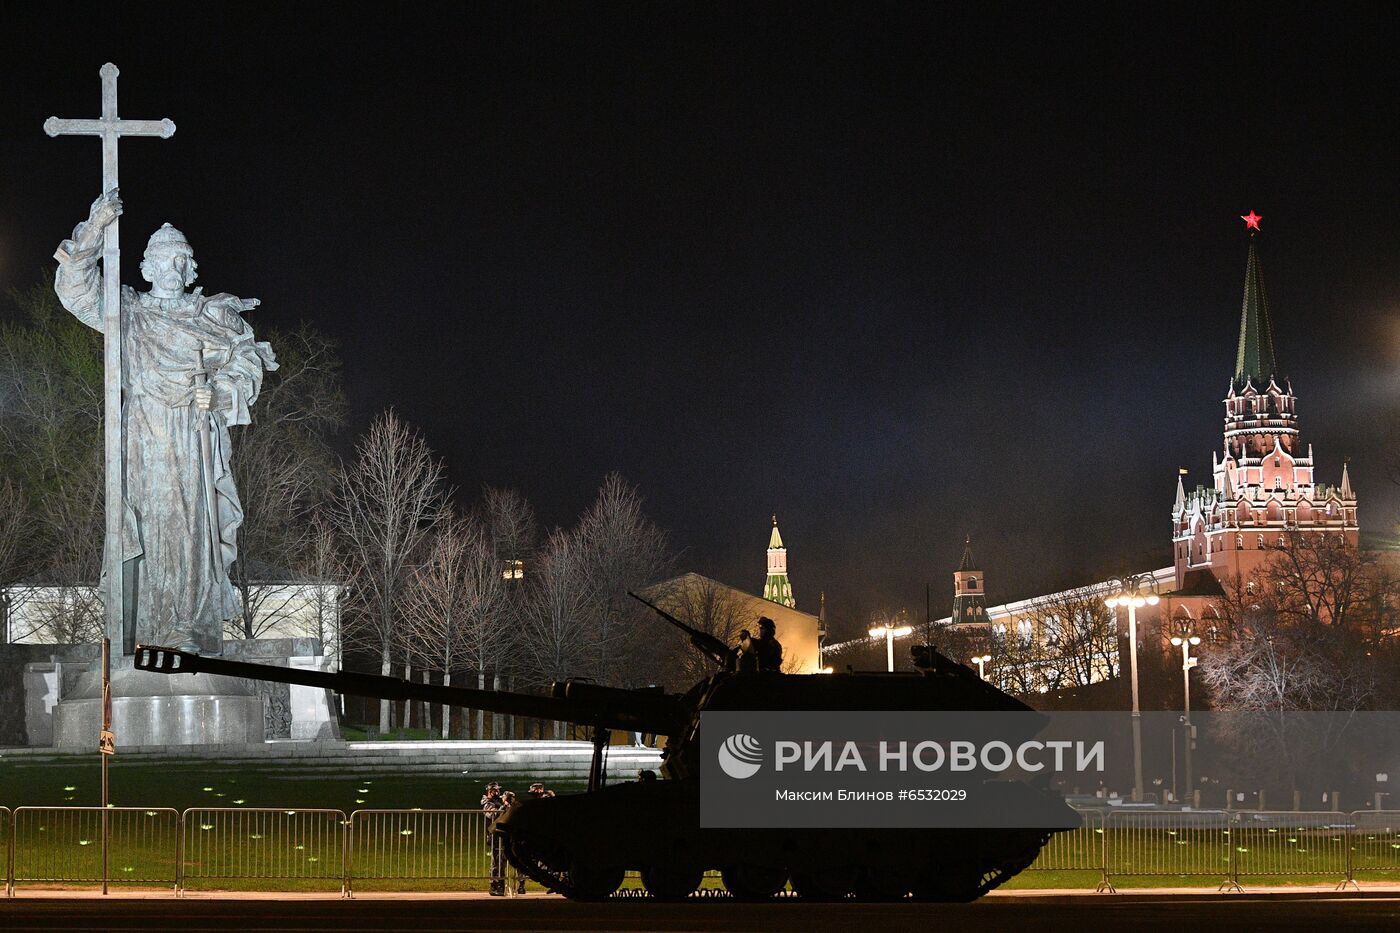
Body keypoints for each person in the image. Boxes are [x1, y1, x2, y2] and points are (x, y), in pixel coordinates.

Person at [53, 192, 277, 655]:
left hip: (191, 433)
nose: (174, 268)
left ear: (191, 269)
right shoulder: (128, 312)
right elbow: (73, 288)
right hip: (139, 435)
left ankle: (186, 627)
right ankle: (140, 628)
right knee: (143, 527)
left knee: (190, 526)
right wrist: (95, 228)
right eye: (165, 259)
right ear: (147, 266)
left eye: (183, 260)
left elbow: (247, 361)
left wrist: (217, 393)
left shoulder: (213, 316)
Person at [480, 782, 508, 895]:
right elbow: (492, 815)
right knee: (496, 862)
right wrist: (503, 806)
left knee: (502, 860)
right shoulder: (487, 803)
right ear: (490, 791)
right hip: (494, 836)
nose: (498, 793)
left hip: (502, 835)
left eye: (498, 791)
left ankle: (501, 884)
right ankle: (495, 885)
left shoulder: (497, 802)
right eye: (495, 791)